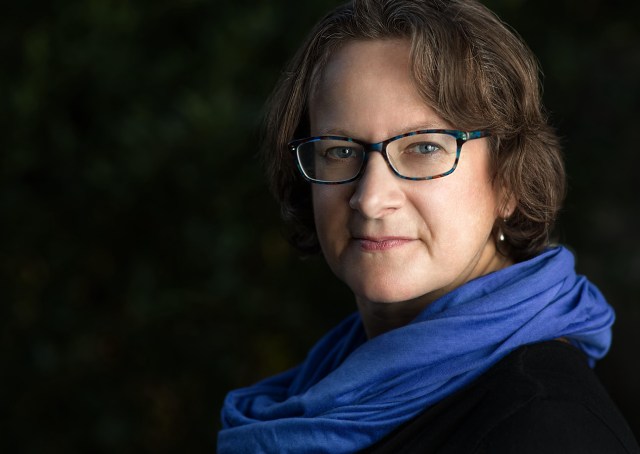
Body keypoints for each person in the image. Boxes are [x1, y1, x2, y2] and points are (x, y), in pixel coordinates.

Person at [218, 0, 640, 452]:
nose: (370, 199)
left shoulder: (546, 426)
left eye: (424, 148)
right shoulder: (326, 389)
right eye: (340, 150)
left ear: (509, 180)